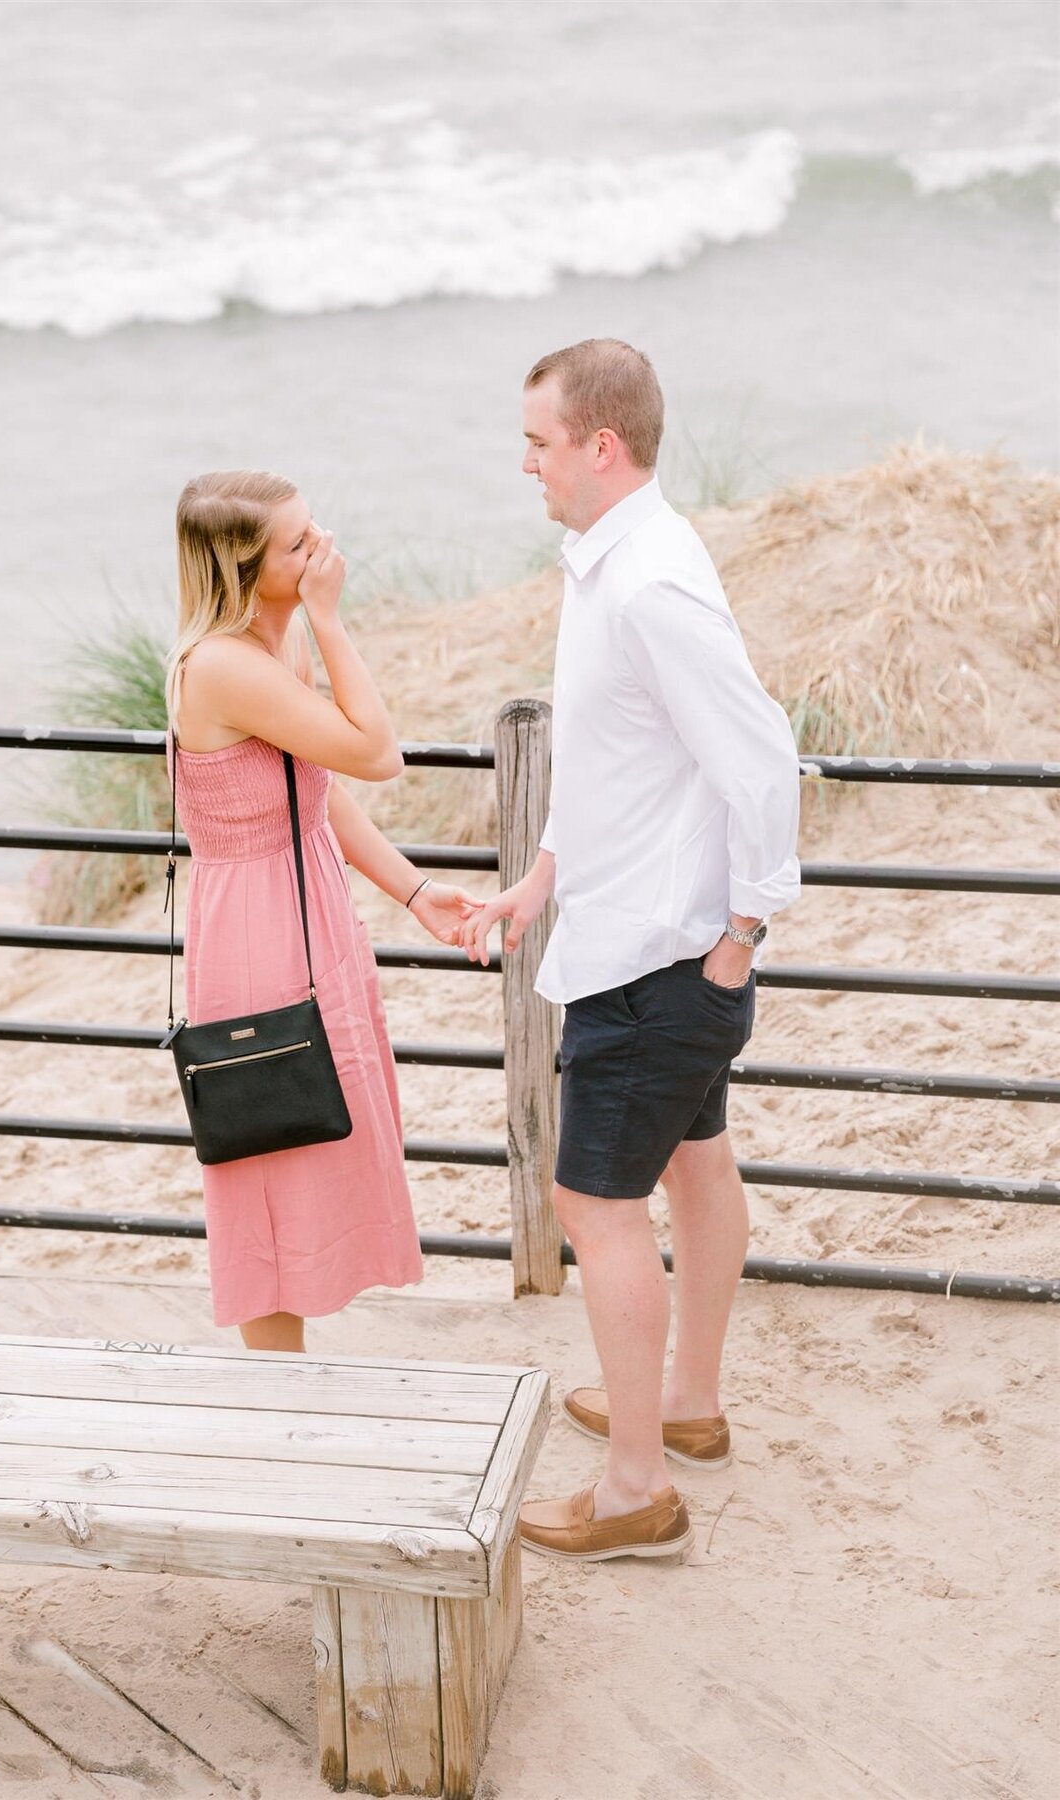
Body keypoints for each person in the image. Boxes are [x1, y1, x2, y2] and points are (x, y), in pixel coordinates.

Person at [461, 341, 801, 1561]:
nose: (527, 462)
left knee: (592, 1206)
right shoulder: (616, 559)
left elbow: (758, 759)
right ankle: (689, 1407)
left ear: (601, 446)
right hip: (642, 938)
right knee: (696, 1169)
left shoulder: (648, 581)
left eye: (540, 442)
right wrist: (542, 876)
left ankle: (634, 1492)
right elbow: (617, 758)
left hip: (660, 965)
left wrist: (744, 933)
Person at [167, 470, 481, 1352]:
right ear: (241, 564)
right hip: (259, 929)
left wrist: (414, 891)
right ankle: (276, 1381)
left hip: (311, 911)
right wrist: (332, 618)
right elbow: (379, 753)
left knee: (313, 1133)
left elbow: (319, 790)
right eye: (299, 544)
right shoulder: (226, 665)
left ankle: (286, 1372)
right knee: (273, 1132)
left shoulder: (272, 643)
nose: (323, 550)